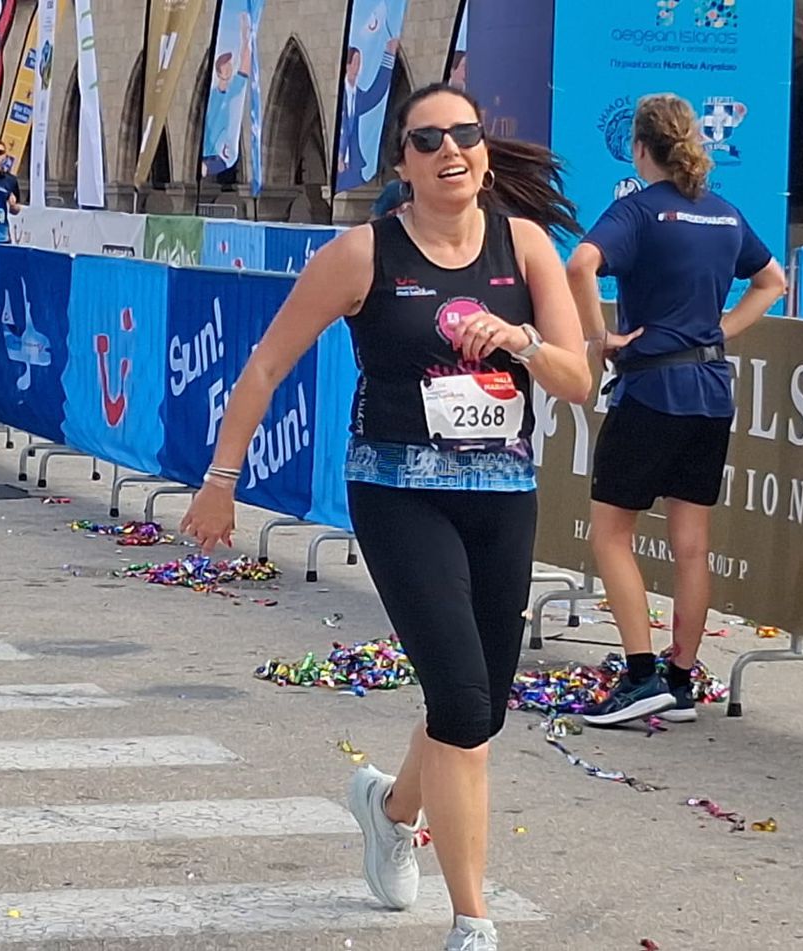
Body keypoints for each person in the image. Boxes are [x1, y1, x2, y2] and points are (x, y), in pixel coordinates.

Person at [181, 82, 591, 951]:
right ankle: (473, 920)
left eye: (464, 134)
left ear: (484, 150)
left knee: (476, 708)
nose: (450, 151)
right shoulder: (363, 254)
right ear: (402, 163)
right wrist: (220, 480)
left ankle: (391, 807)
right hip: (399, 492)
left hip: (503, 494)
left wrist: (517, 339)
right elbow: (265, 366)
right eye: (427, 139)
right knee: (463, 703)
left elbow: (576, 378)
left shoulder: (525, 246)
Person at [566, 93, 786, 727]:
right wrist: (722, 330)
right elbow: (772, 280)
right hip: (711, 392)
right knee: (692, 545)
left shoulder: (638, 209)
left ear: (639, 149)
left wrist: (599, 338)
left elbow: (581, 264)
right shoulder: (722, 213)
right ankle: (681, 679)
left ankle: (641, 676)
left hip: (652, 390)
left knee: (612, 534)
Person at [337, 39, 398, 191]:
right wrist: (339, 154)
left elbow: (376, 92)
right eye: (355, 63)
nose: (358, 68)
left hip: (353, 163)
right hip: (341, 163)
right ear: (347, 66)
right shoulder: (340, 94)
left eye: (359, 63)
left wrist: (388, 55)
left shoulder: (357, 96)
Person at [201, 12, 252, 177]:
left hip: (225, 156)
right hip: (209, 154)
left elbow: (244, 66)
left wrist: (245, 37)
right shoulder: (213, 97)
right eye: (225, 65)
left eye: (230, 64)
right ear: (218, 72)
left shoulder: (233, 89)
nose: (229, 67)